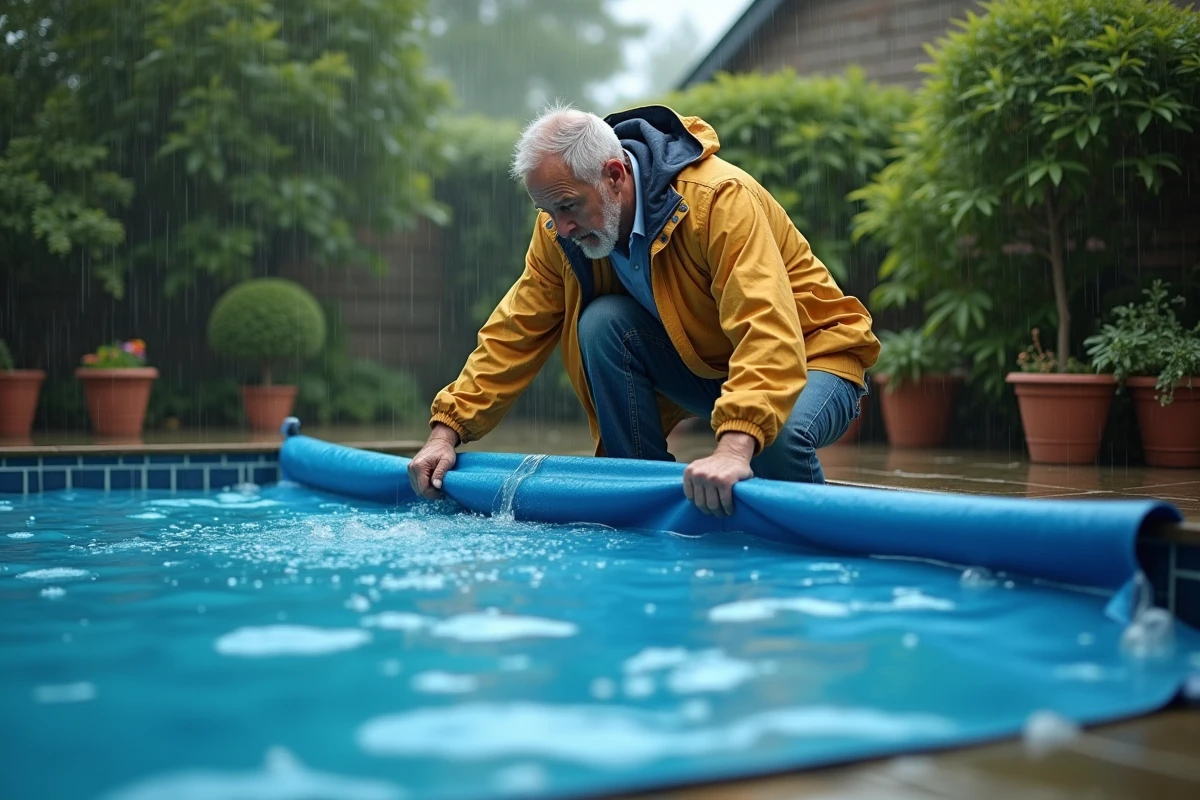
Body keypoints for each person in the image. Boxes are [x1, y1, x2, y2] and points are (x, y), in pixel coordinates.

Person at [408, 103, 879, 516]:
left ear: (615, 176)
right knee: (603, 324)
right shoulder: (560, 231)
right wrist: (445, 431)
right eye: (548, 212)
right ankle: (639, 506)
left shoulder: (718, 200)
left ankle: (811, 556)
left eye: (569, 207)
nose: (562, 227)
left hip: (815, 354)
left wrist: (736, 444)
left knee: (773, 436)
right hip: (710, 366)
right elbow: (514, 331)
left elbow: (768, 329)